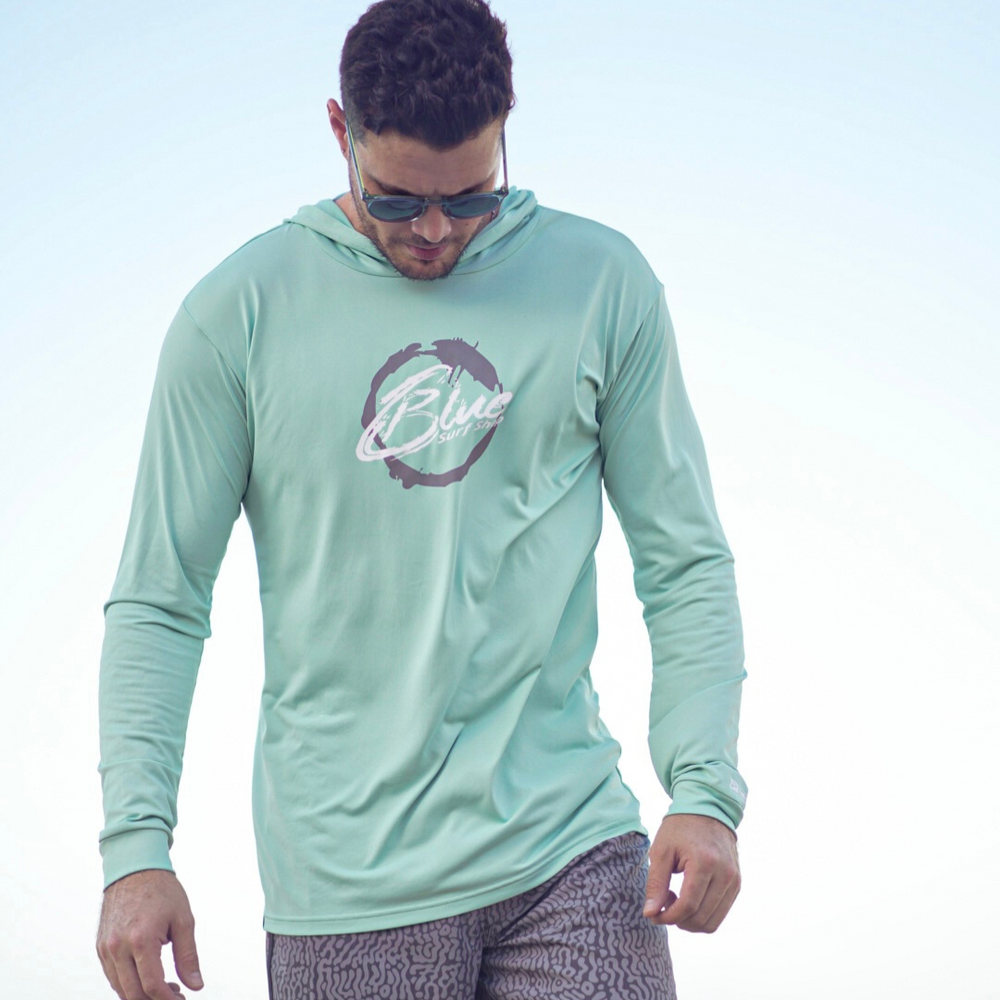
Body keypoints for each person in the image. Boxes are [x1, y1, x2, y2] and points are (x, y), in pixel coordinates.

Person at [95, 0, 748, 997]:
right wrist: (136, 849)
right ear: (339, 131)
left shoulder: (600, 284)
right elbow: (161, 597)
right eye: (398, 200)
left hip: (569, 846)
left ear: (505, 132)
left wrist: (704, 790)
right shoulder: (236, 314)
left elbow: (684, 559)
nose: (436, 231)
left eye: (471, 196)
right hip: (351, 886)